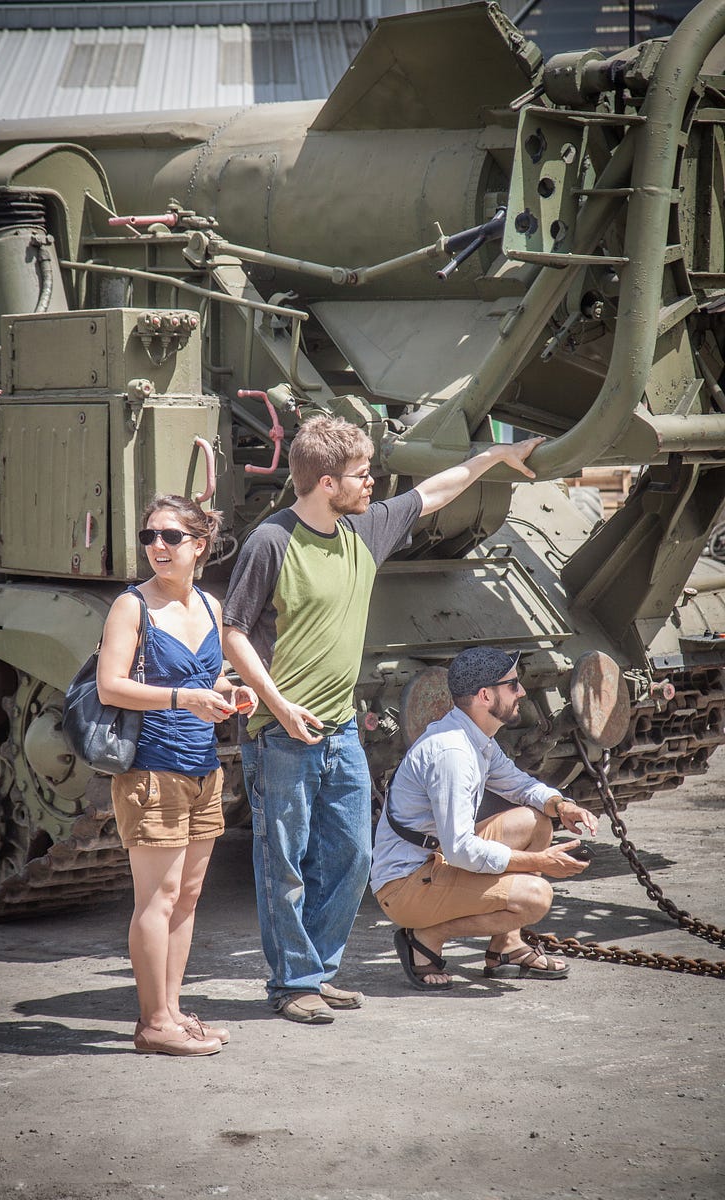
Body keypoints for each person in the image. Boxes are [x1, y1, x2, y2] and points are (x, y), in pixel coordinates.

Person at [222, 415, 545, 1023]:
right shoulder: (271, 541)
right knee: (284, 864)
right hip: (281, 734)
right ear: (325, 483)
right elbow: (233, 632)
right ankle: (293, 983)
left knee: (350, 857)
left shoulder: (363, 529)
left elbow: (433, 492)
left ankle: (318, 973)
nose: (371, 483)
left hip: (339, 728)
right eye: (361, 474)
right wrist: (278, 706)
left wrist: (496, 457)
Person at [97, 494, 257, 1056]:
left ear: (199, 545)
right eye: (149, 537)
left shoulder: (210, 606)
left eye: (170, 536)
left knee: (187, 897)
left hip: (202, 769)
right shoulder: (132, 606)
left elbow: (207, 679)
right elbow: (110, 686)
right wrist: (181, 698)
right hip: (152, 769)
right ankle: (153, 1023)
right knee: (157, 899)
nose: (157, 546)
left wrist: (230, 692)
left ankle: (172, 1010)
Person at [370, 645, 599, 989]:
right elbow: (461, 849)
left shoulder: (475, 738)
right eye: (513, 685)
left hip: (437, 858)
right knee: (536, 897)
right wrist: (539, 862)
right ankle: (426, 936)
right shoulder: (453, 754)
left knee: (536, 820)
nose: (522, 692)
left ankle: (507, 946)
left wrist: (560, 805)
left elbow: (520, 785)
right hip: (405, 885)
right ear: (485, 696)